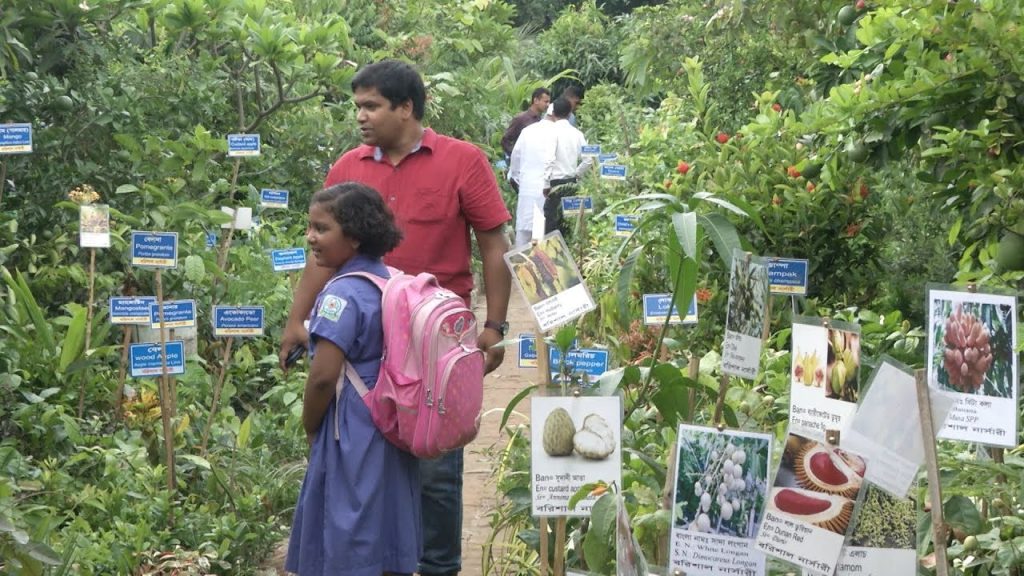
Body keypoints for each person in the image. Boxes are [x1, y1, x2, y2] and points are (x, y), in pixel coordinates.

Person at [279, 59, 512, 576]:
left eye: (372, 106)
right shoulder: (347, 168)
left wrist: (494, 327)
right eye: (358, 106)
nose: (361, 117)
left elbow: (494, 246)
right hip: (362, 342)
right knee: (368, 458)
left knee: (434, 464)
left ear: (406, 108)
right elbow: (323, 254)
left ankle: (437, 567)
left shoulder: (462, 161)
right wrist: (297, 319)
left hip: (432, 341)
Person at [286, 182, 420, 576]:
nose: (311, 237)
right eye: (310, 227)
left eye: (322, 229)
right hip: (390, 419)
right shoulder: (392, 280)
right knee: (386, 517)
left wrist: (310, 424)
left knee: (347, 522)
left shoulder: (340, 295)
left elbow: (324, 377)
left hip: (352, 427)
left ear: (356, 237)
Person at [544, 97, 594, 236]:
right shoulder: (577, 134)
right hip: (571, 184)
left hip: (555, 184)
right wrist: (576, 174)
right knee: (570, 222)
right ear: (569, 113)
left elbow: (549, 160)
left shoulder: (551, 132)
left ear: (553, 113)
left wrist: (546, 184)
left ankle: (553, 256)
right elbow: (588, 160)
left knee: (552, 223)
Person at [507, 110, 556, 246]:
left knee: (523, 234)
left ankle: (520, 265)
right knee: (543, 236)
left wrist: (517, 178)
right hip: (549, 189)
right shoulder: (559, 133)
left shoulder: (528, 131)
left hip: (527, 187)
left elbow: (515, 157)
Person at [500, 87, 551, 160]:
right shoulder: (521, 119)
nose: (548, 105)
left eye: (549, 102)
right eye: (545, 102)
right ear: (536, 100)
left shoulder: (541, 120)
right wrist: (516, 156)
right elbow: (505, 140)